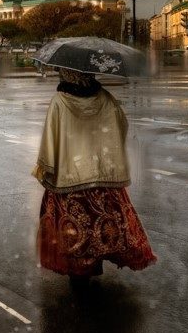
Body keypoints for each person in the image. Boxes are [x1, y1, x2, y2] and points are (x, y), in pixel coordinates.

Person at [33, 68, 156, 282]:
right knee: (101, 223)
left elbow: (50, 137)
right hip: (101, 175)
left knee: (75, 226)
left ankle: (80, 270)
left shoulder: (60, 102)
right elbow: (121, 126)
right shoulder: (106, 99)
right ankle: (95, 260)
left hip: (70, 175)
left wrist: (48, 167)